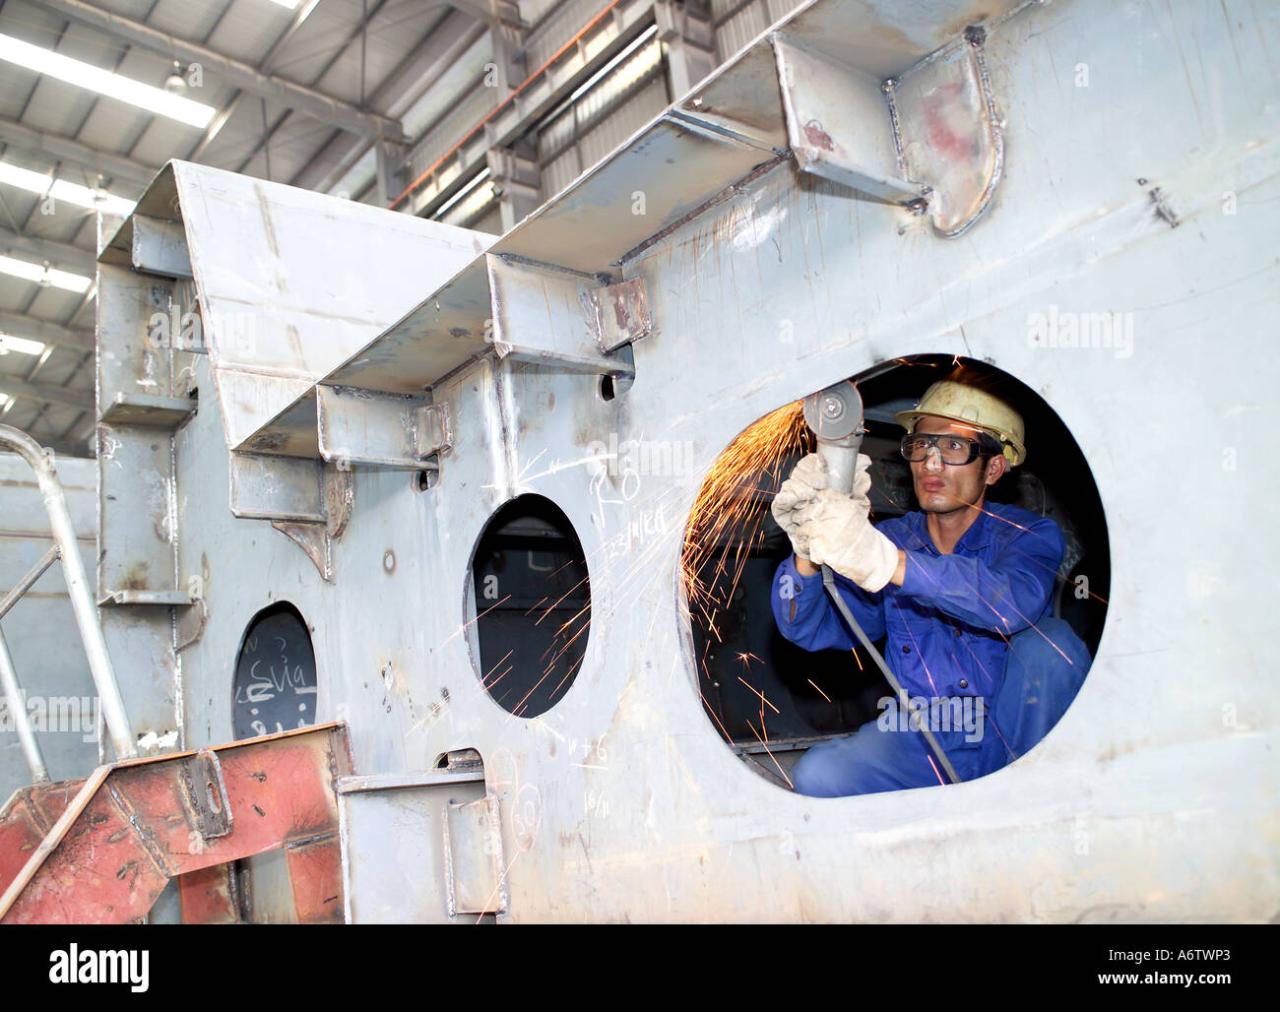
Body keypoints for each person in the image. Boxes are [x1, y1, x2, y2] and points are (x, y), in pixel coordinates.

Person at [770, 375, 1091, 797]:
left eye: (954, 447)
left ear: (993, 467)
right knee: (819, 776)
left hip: (1012, 730)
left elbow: (1007, 603)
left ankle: (1037, 803)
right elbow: (811, 628)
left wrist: (888, 563)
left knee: (1052, 647)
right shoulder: (892, 539)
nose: (931, 464)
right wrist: (809, 549)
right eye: (922, 446)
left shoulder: (1027, 535)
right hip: (924, 737)